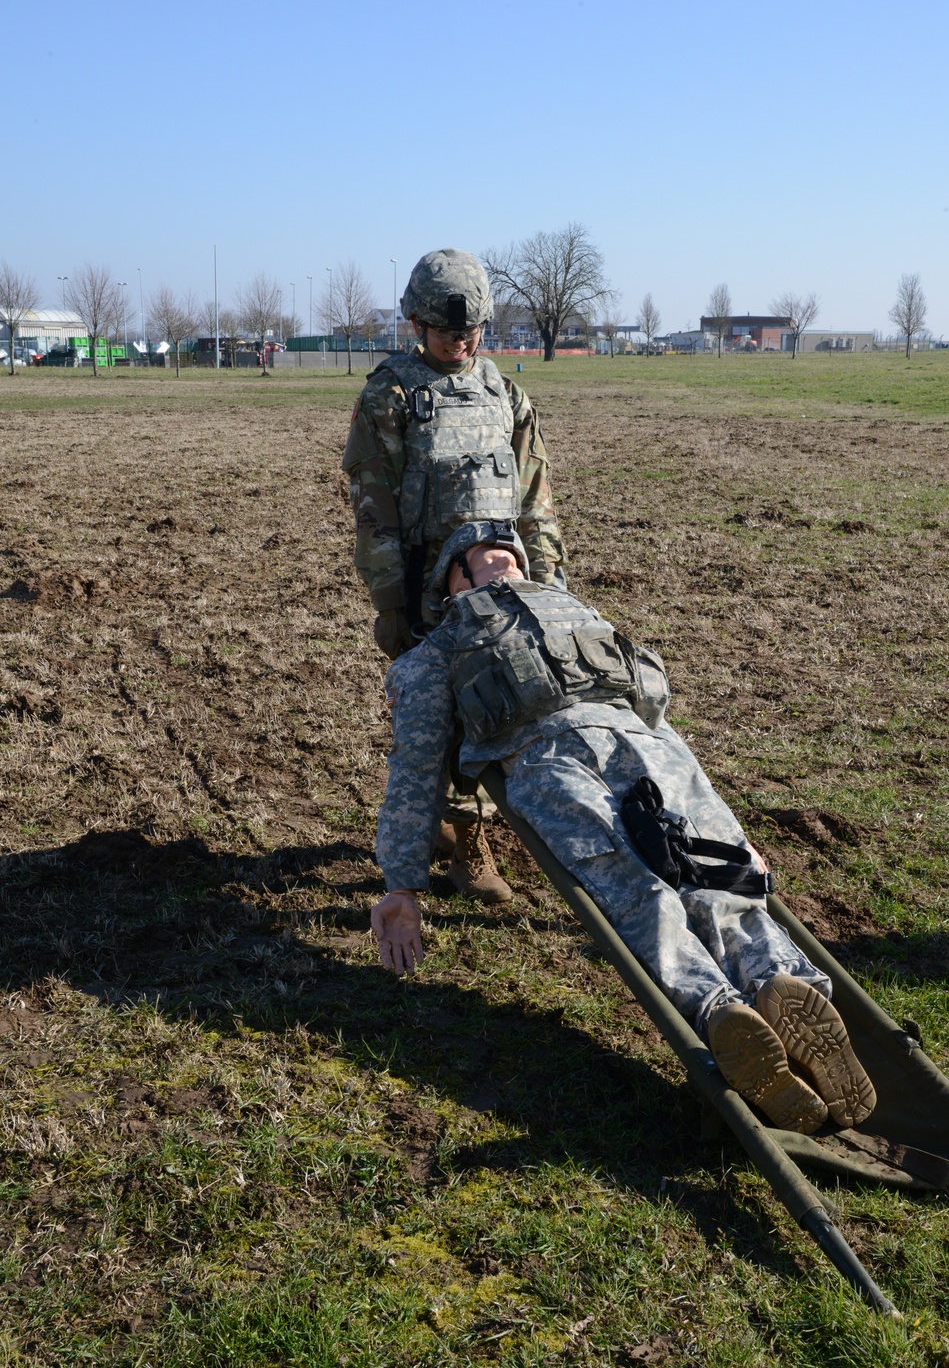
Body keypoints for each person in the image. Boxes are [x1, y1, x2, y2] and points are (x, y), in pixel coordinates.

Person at [369, 521, 876, 1135]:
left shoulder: (578, 609)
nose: (497, 553)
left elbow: (653, 695)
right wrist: (402, 884)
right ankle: (723, 1014)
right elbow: (417, 763)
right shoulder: (439, 648)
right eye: (476, 554)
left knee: (722, 877)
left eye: (507, 549)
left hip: (651, 749)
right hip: (548, 758)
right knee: (638, 892)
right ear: (450, 582)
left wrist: (734, 830)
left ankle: (783, 990)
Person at [342, 249, 567, 907]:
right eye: (446, 332)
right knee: (441, 717)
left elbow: (536, 502)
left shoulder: (508, 395)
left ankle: (460, 827)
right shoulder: (391, 396)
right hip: (426, 593)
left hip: (504, 589)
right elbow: (373, 514)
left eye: (471, 333)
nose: (461, 342)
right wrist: (393, 607)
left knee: (494, 709)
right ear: (417, 323)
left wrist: (549, 594)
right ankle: (465, 840)